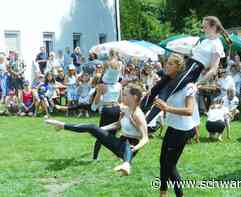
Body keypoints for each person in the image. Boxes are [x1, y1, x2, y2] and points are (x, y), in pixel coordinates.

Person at [45, 84, 148, 175]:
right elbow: (117, 125)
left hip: (130, 146)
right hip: (119, 142)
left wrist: (136, 148)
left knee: (128, 144)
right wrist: (100, 130)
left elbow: (145, 139)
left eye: (125, 95)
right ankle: (62, 125)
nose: (122, 97)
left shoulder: (137, 114)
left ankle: (126, 164)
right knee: (92, 127)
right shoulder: (125, 110)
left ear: (134, 97)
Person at [141, 16, 228, 124]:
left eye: (205, 27)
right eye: (203, 27)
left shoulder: (217, 44)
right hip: (186, 65)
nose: (203, 29)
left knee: (166, 92)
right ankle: (138, 113)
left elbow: (214, 69)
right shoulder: (205, 41)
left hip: (192, 70)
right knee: (157, 87)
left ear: (214, 27)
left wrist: (198, 84)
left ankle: (146, 122)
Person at [152, 54, 197, 197]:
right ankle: (163, 193)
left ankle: (180, 195)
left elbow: (189, 111)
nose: (167, 65)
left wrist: (166, 108)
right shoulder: (167, 83)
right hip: (172, 126)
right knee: (163, 161)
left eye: (171, 64)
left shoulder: (188, 86)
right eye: (167, 63)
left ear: (178, 67)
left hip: (182, 130)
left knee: (170, 165)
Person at [90, 49, 122, 160]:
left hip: (114, 109)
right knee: (103, 134)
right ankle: (95, 156)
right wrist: (99, 93)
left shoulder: (117, 84)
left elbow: (94, 106)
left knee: (111, 134)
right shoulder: (110, 84)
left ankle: (117, 154)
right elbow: (94, 106)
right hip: (110, 109)